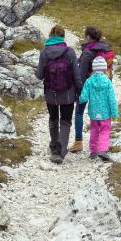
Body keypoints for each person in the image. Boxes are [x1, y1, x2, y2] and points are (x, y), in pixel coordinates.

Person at [35, 24, 81, 163]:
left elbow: (40, 75)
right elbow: (77, 76)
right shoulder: (70, 52)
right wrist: (80, 91)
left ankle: (54, 145)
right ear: (63, 36)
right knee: (65, 121)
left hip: (50, 94)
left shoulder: (44, 52)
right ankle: (60, 153)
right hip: (68, 94)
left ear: (50, 36)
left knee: (53, 119)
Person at [70, 25, 113, 152]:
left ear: (88, 37)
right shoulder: (106, 50)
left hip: (87, 87)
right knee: (101, 116)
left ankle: (78, 142)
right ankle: (101, 145)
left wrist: (79, 92)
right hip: (102, 89)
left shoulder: (88, 52)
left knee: (79, 112)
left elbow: (81, 75)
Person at [78, 55, 119, 160]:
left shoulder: (89, 81)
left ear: (93, 68)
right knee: (105, 130)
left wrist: (80, 99)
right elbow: (112, 99)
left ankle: (93, 151)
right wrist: (114, 112)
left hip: (93, 112)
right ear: (105, 68)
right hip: (105, 113)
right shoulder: (107, 81)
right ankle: (102, 149)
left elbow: (84, 97)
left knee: (94, 130)